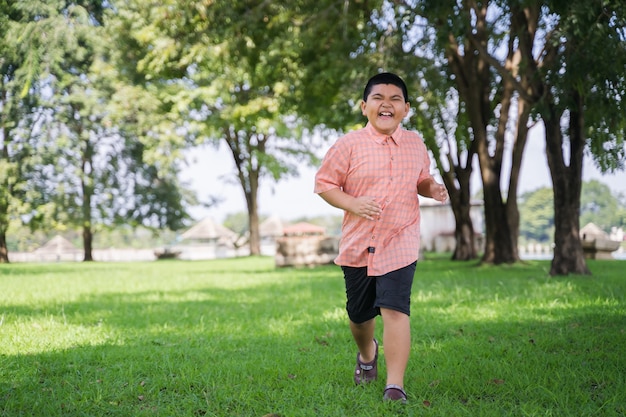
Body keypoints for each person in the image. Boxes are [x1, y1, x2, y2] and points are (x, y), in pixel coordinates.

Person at [314, 72, 448, 403]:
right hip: (358, 244)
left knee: (395, 308)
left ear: (405, 109)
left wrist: (431, 188)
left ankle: (395, 386)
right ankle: (366, 353)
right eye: (378, 98)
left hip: (400, 239)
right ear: (364, 107)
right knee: (359, 316)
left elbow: (421, 179)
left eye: (395, 99)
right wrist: (354, 203)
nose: (386, 104)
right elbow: (325, 184)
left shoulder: (415, 143)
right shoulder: (348, 145)